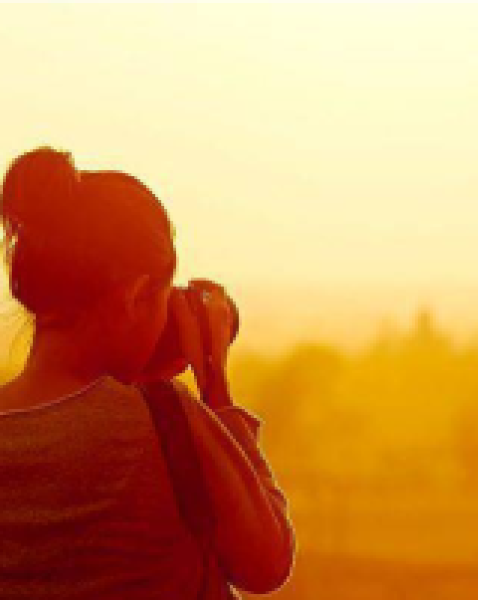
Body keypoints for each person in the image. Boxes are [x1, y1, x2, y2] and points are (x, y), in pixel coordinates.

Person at [0, 148, 296, 598]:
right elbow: (266, 563)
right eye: (161, 299)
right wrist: (214, 384)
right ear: (135, 296)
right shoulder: (164, 420)